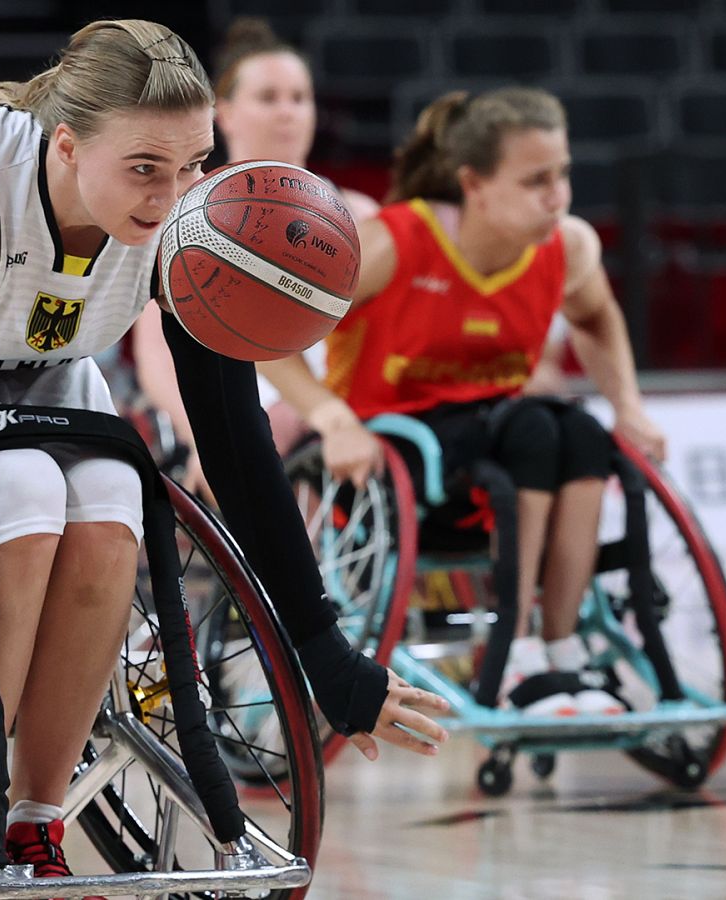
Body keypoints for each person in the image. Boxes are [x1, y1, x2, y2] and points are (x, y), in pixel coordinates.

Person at [0, 19, 449, 883]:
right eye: (147, 169)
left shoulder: (194, 220)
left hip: (19, 357)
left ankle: (36, 822)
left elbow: (235, 442)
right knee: (16, 492)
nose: (174, 195)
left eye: (194, 164)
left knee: (116, 497)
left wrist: (324, 653)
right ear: (68, 147)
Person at [261, 87, 667, 715]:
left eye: (562, 174)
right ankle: (516, 655)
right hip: (396, 456)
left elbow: (596, 319)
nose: (557, 196)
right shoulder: (392, 243)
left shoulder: (569, 247)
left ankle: (562, 653)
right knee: (536, 428)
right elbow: (268, 332)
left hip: (502, 436)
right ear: (473, 184)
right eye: (536, 180)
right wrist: (332, 418)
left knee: (583, 433)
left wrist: (630, 405)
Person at [129, 17, 380, 503]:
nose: (287, 112)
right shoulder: (183, 215)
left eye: (299, 97)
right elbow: (157, 355)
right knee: (272, 432)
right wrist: (203, 435)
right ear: (224, 113)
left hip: (338, 402)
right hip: (233, 399)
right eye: (268, 98)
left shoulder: (362, 215)